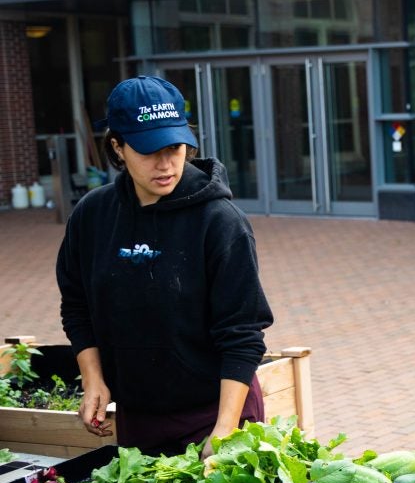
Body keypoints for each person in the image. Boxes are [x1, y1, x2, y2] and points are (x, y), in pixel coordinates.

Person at [56, 75, 274, 459]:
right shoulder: (92, 216)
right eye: (148, 150)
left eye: (174, 147)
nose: (165, 163)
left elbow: (242, 333)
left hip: (217, 413)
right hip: (140, 417)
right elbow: (76, 303)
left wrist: (224, 431)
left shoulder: (220, 221)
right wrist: (94, 379)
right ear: (117, 147)